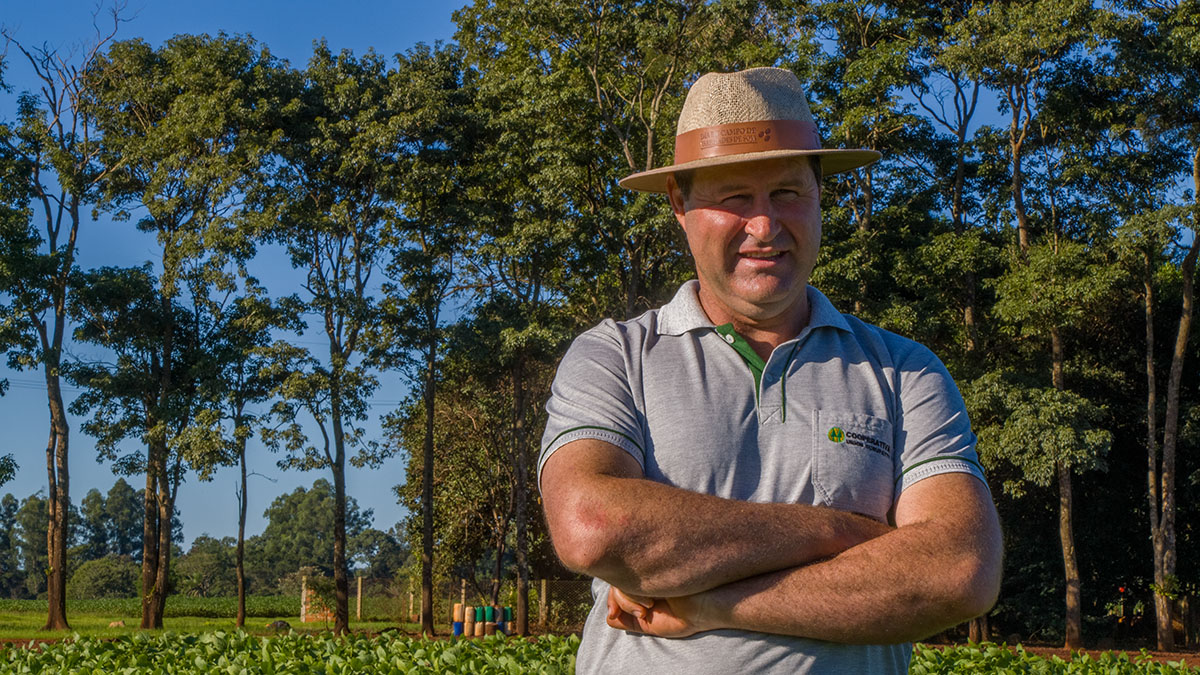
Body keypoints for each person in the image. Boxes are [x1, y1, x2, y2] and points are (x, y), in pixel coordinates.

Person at [537, 67, 1002, 673]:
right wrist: (845, 532)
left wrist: (712, 604)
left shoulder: (903, 371)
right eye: (734, 199)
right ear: (680, 203)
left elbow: (959, 569)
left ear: (818, 196)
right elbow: (594, 527)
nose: (765, 226)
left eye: (787, 192)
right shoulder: (615, 357)